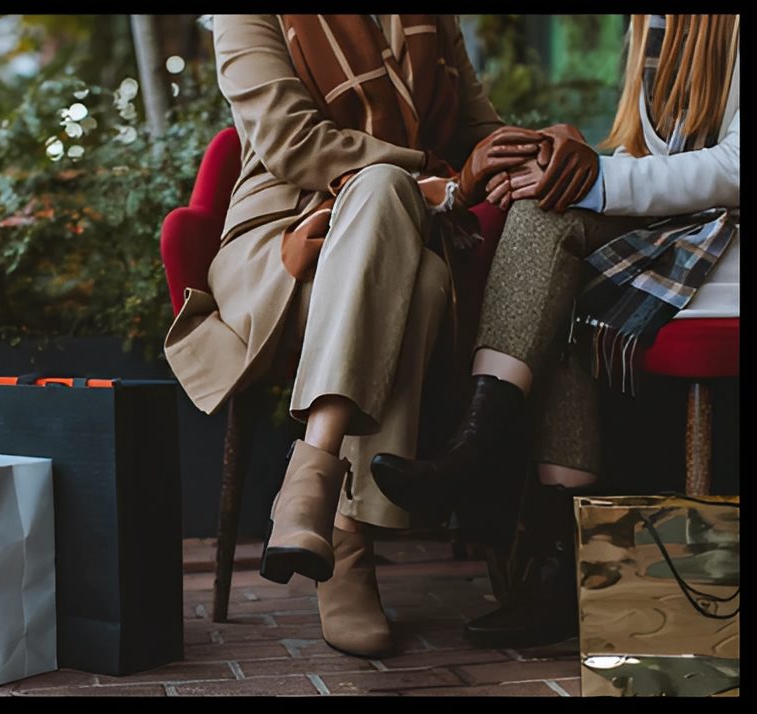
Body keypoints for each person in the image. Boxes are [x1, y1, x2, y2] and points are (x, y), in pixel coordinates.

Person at [165, 14, 543, 657]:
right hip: (286, 243)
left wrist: (541, 148)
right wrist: (439, 181)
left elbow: (481, 129)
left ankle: (316, 493)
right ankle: (347, 538)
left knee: (414, 271)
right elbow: (293, 143)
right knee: (390, 208)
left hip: (408, 243)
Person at [371, 13, 740, 647]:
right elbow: (663, 158)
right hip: (688, 224)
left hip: (727, 240)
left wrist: (600, 177)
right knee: (543, 205)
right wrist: (570, 162)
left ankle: (491, 476)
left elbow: (733, 167)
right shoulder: (658, 23)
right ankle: (525, 514)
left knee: (563, 250)